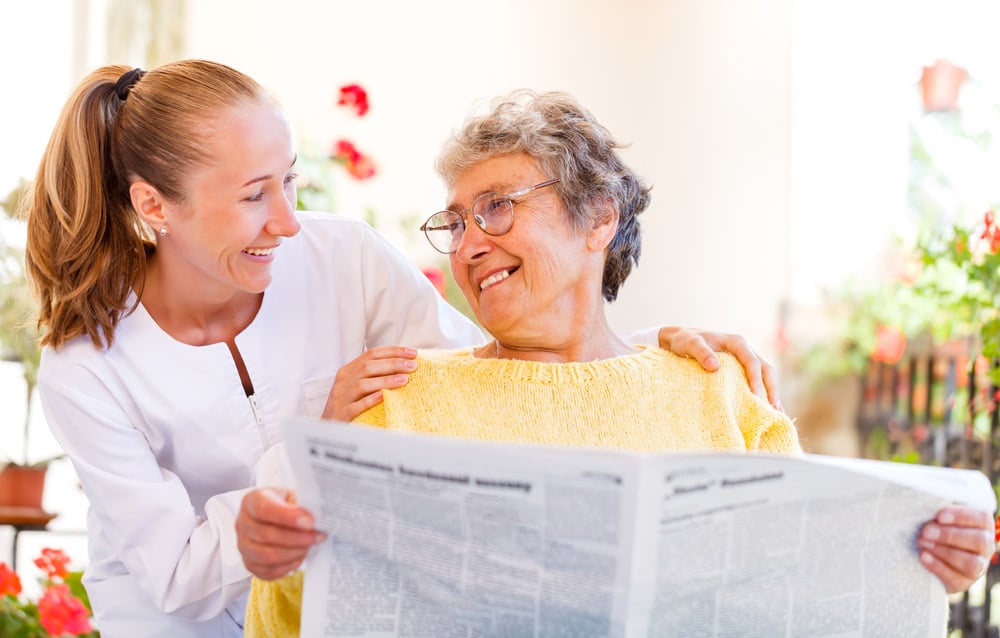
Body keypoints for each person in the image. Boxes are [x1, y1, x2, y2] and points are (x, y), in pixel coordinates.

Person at [24, 60, 781, 638]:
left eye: (289, 182)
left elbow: (498, 362)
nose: (289, 221)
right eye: (256, 195)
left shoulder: (340, 258)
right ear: (154, 206)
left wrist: (649, 357)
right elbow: (181, 576)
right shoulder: (85, 368)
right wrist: (313, 444)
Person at [238, 90, 995, 636]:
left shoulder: (721, 392)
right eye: (457, 221)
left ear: (600, 215)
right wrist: (280, 553)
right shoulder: (394, 398)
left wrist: (923, 567)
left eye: (498, 206)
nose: (469, 244)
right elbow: (298, 624)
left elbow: (817, 599)